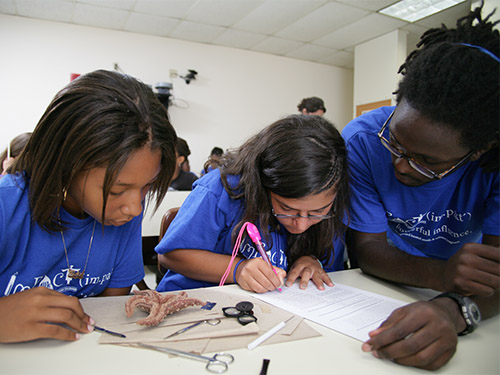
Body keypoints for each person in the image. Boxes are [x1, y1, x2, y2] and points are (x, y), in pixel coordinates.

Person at [342, 4, 499, 371]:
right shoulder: (364, 140)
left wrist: (452, 308)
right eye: (395, 142)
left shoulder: (493, 165)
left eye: (427, 161)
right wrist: (441, 276)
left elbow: (494, 275)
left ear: (479, 151)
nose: (399, 164)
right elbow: (366, 248)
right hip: (390, 287)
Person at [0, 69, 177, 343]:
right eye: (117, 190)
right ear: (67, 164)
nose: (135, 208)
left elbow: (107, 318)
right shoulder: (6, 207)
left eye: (147, 186)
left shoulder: (120, 216)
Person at [156, 114, 349, 293]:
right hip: (193, 302)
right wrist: (237, 269)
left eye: (317, 212)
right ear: (264, 183)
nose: (301, 225)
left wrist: (311, 262)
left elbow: (331, 266)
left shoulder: (335, 207)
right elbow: (170, 255)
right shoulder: (221, 190)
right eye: (287, 209)